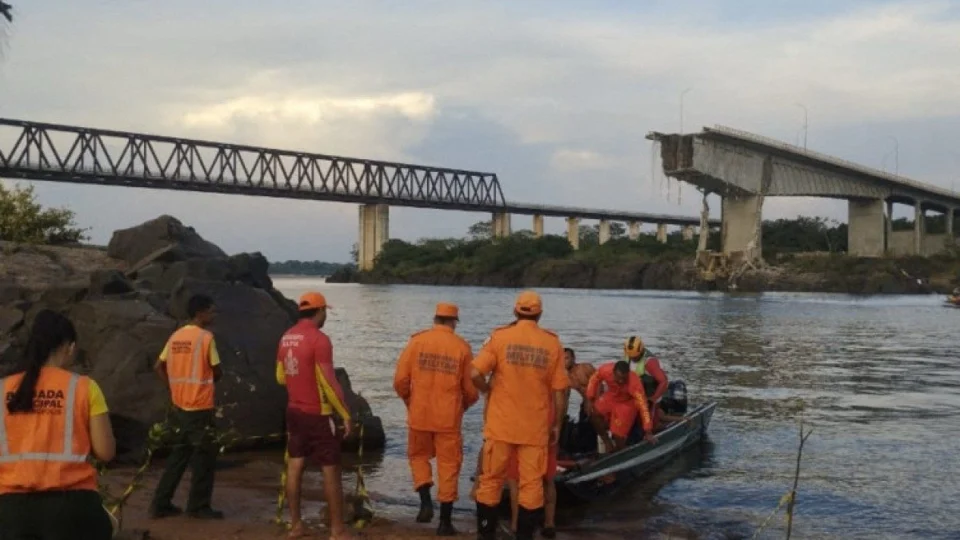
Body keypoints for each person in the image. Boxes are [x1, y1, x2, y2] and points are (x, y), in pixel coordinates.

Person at [0, 309, 117, 539]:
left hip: (11, 509)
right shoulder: (84, 387)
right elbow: (105, 452)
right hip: (73, 507)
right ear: (69, 347)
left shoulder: (3, 388)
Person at [471, 290, 569, 540]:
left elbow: (474, 374)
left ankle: (486, 535)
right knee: (532, 485)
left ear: (515, 311)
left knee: (490, 480)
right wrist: (557, 425)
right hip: (534, 429)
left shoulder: (499, 337)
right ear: (540, 314)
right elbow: (559, 390)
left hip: (500, 425)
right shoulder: (552, 343)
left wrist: (487, 390)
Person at [393, 302, 479, 536]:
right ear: (453, 322)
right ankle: (445, 522)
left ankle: (425, 502)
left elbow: (400, 381)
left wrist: (410, 401)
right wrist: (462, 407)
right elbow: (471, 391)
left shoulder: (416, 342)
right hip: (448, 418)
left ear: (435, 319)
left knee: (418, 457)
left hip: (419, 414)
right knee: (449, 466)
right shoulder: (462, 347)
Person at [276, 292, 353, 540]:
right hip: (318, 413)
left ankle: (296, 526)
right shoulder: (319, 340)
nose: (325, 316)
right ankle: (337, 530)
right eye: (325, 311)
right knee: (330, 469)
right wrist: (345, 414)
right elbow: (329, 382)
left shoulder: (286, 337)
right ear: (319, 311)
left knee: (295, 465)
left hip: (293, 411)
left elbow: (280, 376)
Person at [150, 293, 225, 520]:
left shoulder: (176, 336)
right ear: (200, 313)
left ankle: (161, 502)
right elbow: (217, 369)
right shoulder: (206, 338)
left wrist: (173, 388)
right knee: (205, 456)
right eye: (211, 311)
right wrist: (212, 377)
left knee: (179, 455)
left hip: (179, 405)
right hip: (199, 406)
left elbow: (158, 366)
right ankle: (198, 506)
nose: (214, 315)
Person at [585, 361, 657, 453]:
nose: (621, 381)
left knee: (618, 434)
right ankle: (607, 442)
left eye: (624, 379)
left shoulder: (634, 383)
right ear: (613, 373)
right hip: (612, 396)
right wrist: (589, 398)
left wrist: (648, 431)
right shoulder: (605, 370)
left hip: (627, 402)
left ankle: (621, 450)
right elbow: (594, 378)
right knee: (594, 412)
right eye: (618, 378)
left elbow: (643, 406)